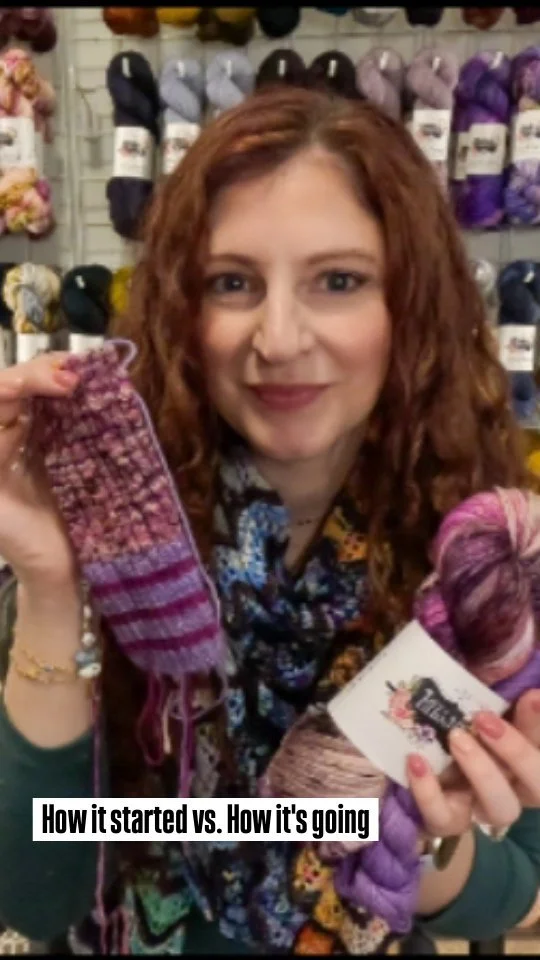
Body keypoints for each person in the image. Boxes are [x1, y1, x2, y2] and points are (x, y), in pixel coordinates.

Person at [0, 86, 540, 956]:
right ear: (181, 306)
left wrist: (419, 844)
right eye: (232, 283)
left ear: (411, 304)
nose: (279, 338)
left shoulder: (488, 559)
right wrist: (51, 586)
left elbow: (513, 893)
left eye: (339, 280)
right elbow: (33, 894)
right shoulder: (104, 522)